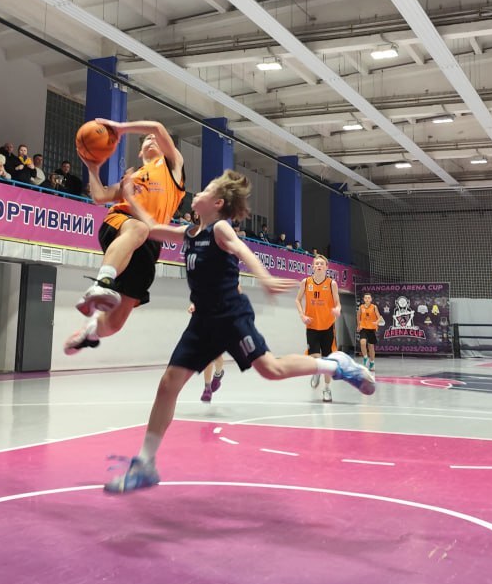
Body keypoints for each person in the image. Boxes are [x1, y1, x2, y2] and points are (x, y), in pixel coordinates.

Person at [103, 171, 375, 493]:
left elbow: (241, 249)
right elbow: (150, 227)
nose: (197, 192)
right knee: (168, 384)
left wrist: (264, 277)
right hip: (203, 321)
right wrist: (129, 196)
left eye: (205, 189)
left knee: (271, 370)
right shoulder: (189, 232)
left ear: (217, 203)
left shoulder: (220, 228)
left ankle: (336, 365)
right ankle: (145, 464)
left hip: (231, 315)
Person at [62, 119, 187, 354]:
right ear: (140, 152)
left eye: (155, 139)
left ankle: (91, 331)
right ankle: (103, 282)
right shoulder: (134, 177)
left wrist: (120, 128)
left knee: (116, 323)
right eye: (147, 139)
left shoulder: (172, 166)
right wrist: (92, 168)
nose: (152, 138)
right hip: (121, 223)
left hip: (150, 244)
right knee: (139, 228)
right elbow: (99, 196)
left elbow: (158, 128)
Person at [297, 254, 341, 403]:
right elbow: (297, 300)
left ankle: (327, 389)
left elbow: (338, 303)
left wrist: (337, 310)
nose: (319, 266)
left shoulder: (331, 284)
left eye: (322, 263)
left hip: (328, 327)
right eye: (317, 263)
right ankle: (317, 371)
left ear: (327, 267)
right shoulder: (305, 282)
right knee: (315, 358)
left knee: (328, 362)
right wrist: (302, 315)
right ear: (313, 266)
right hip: (312, 326)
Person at [356, 292, 383, 369]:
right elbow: (358, 316)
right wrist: (358, 325)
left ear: (371, 299)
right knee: (362, 342)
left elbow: (379, 317)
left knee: (371, 346)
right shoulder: (361, 307)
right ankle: (365, 358)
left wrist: (376, 322)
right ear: (364, 299)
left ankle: (372, 362)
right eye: (366, 298)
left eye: (368, 298)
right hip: (363, 328)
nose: (367, 299)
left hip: (371, 328)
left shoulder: (374, 307)